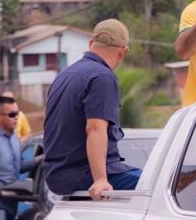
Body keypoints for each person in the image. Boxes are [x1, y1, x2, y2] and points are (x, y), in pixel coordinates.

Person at [42, 19, 140, 200]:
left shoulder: (64, 75)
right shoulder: (102, 77)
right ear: (123, 52)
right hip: (81, 174)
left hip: (57, 175)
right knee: (157, 186)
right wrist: (101, 179)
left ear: (90, 43)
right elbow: (94, 129)